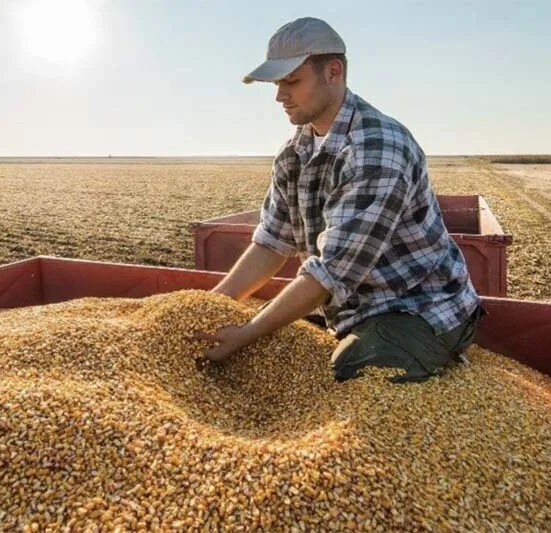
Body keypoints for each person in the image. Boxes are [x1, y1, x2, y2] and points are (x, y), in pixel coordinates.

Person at [193, 17, 485, 383]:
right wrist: (210, 305)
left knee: (355, 371)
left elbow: (331, 272)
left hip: (419, 308)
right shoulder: (294, 152)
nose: (279, 95)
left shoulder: (377, 148)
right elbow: (271, 242)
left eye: (292, 81)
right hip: (347, 307)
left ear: (333, 71)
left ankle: (436, 355)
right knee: (258, 342)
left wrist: (248, 332)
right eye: (277, 82)